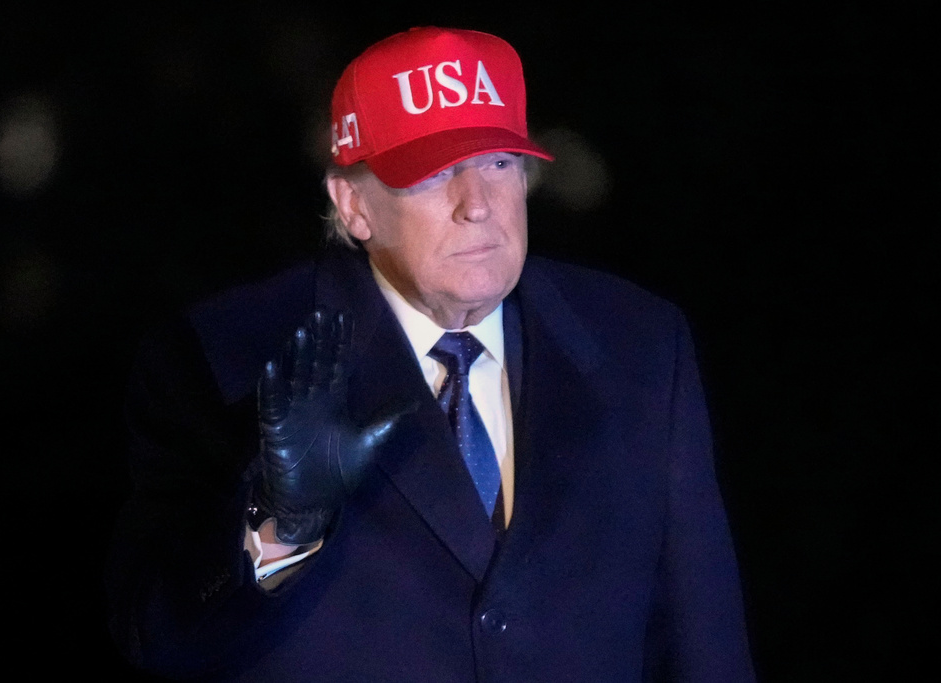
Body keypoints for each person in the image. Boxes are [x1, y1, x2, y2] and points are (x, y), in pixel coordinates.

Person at [106, 26, 756, 681]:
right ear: (354, 203)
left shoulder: (639, 346)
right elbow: (159, 640)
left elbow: (704, 638)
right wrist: (280, 525)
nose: (479, 205)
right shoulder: (223, 361)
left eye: (500, 161)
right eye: (435, 171)